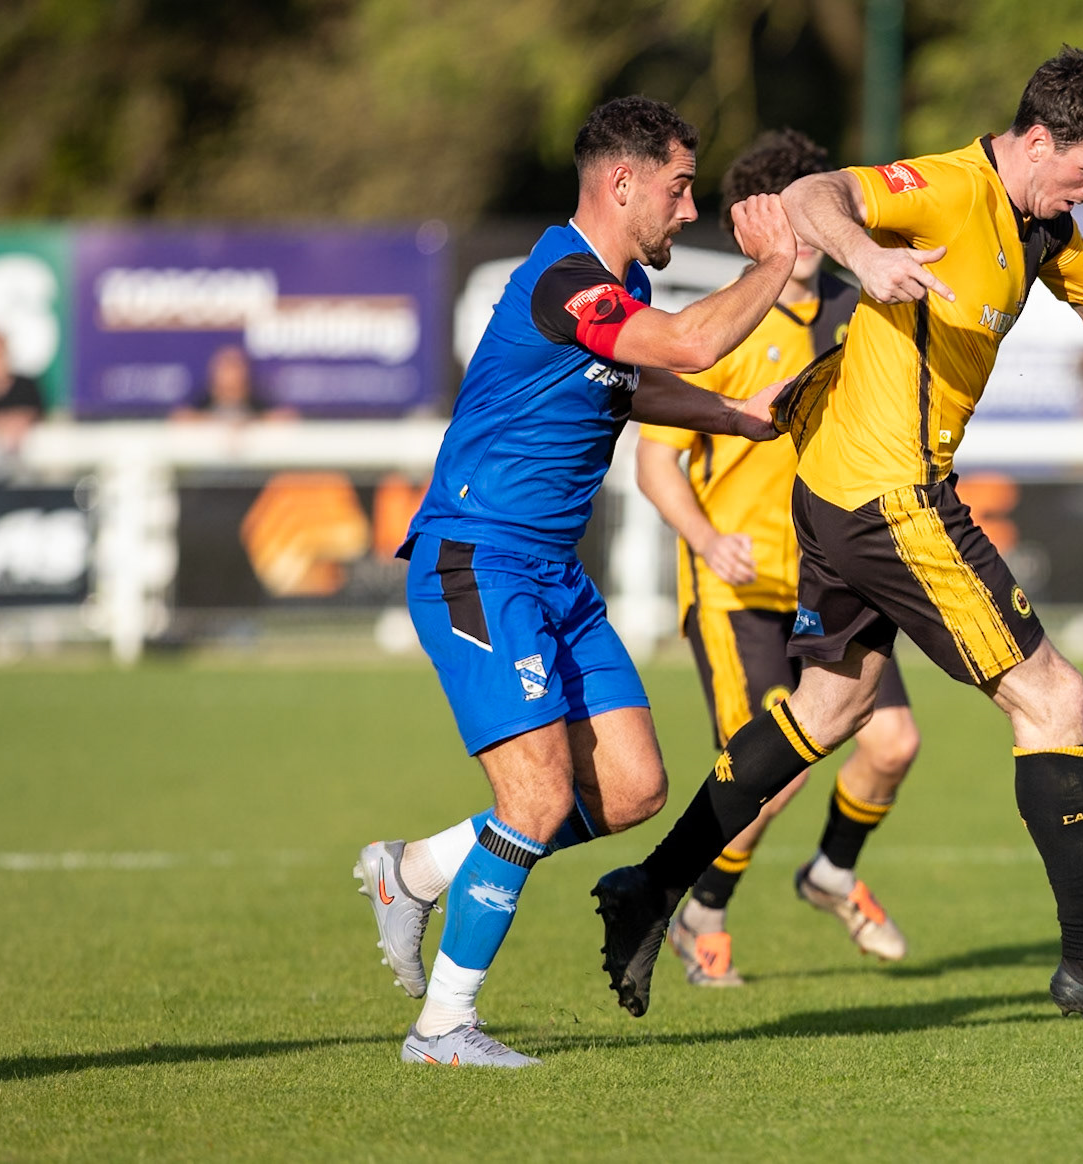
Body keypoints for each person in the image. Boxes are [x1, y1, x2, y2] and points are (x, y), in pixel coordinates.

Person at [594, 47, 1083, 1047]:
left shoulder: (1045, 228)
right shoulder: (946, 187)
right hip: (889, 501)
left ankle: (650, 888)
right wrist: (867, 254)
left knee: (831, 707)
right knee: (1054, 697)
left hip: (841, 495)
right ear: (1035, 141)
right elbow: (810, 194)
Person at [351, 95, 799, 1069]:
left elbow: (642, 386)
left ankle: (418, 868)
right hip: (478, 560)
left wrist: (739, 418)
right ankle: (442, 1028)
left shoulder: (616, 282)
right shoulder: (565, 278)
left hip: (552, 574)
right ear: (623, 183)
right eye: (680, 189)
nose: (690, 210)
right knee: (538, 798)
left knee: (635, 786)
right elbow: (683, 346)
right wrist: (780, 260)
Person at [636, 130, 920, 988]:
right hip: (735, 590)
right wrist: (707, 538)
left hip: (832, 576)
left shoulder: (857, 312)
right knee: (773, 771)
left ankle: (831, 874)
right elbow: (656, 464)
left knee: (894, 742)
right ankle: (703, 914)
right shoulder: (718, 328)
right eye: (792, 214)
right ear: (755, 223)